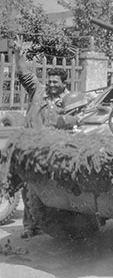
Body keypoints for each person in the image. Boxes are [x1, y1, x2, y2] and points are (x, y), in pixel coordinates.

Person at [9, 36, 70, 239]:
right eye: (50, 81)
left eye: (56, 82)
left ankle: (49, 223)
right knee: (29, 187)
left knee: (53, 188)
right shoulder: (38, 91)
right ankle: (30, 225)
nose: (51, 85)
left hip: (53, 149)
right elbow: (24, 74)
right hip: (32, 146)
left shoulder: (71, 101)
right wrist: (18, 53)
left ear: (64, 84)